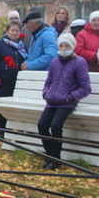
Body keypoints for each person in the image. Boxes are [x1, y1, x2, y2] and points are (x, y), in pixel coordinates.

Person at [37, 33, 91, 170]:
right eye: (61, 45)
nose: (64, 48)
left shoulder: (80, 62)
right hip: (51, 101)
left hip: (67, 102)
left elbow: (85, 88)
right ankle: (49, 155)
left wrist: (70, 97)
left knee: (55, 126)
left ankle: (56, 158)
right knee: (42, 125)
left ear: (72, 46)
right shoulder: (54, 61)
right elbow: (48, 81)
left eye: (67, 45)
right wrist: (45, 93)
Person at [0, 21, 27, 137]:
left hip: (17, 80)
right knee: (2, 105)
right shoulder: (0, 44)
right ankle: (1, 130)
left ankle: (13, 129)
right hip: (2, 80)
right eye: (12, 30)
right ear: (7, 31)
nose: (15, 33)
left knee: (15, 106)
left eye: (17, 31)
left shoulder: (23, 46)